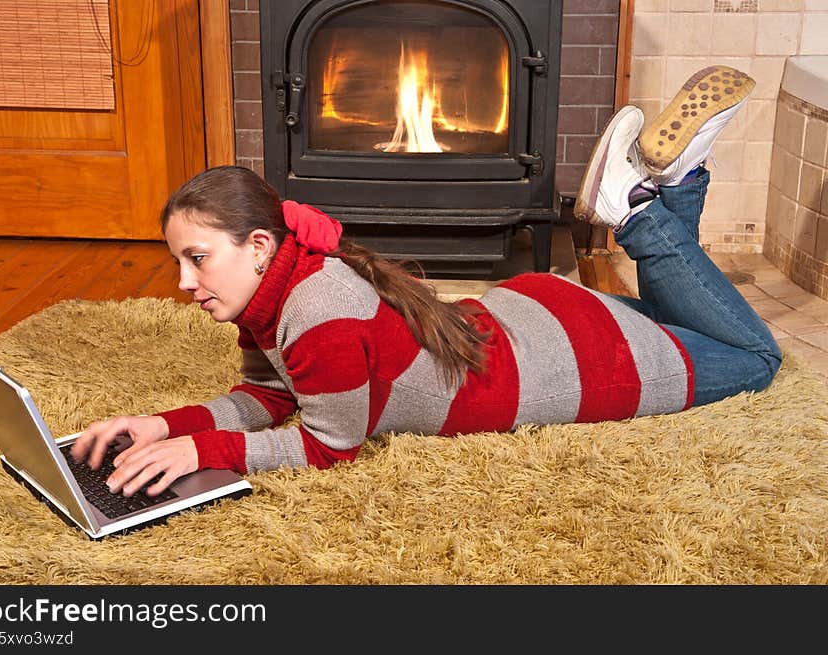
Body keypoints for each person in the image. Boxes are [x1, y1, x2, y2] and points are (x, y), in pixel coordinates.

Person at [71, 65, 781, 499]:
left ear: (259, 244)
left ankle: (640, 215)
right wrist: (164, 426)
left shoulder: (319, 306)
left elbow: (326, 447)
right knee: (683, 314)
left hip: (581, 362)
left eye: (196, 257)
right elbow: (267, 395)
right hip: (534, 317)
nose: (183, 280)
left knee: (758, 359)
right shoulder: (279, 287)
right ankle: (672, 180)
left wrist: (203, 450)